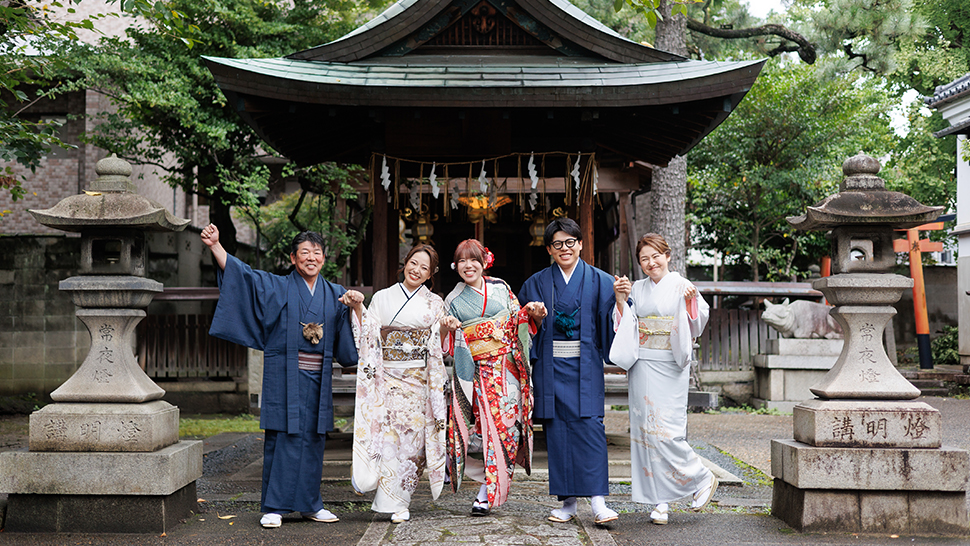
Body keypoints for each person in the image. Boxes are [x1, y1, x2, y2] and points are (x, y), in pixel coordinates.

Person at [201, 224, 362, 529]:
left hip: (318, 377)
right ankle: (273, 507)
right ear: (293, 258)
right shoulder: (276, 286)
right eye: (304, 252)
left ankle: (311, 504)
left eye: (316, 253)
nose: (310, 258)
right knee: (282, 436)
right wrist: (216, 246)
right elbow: (244, 277)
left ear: (324, 259)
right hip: (285, 373)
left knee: (314, 439)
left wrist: (356, 308)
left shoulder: (336, 293)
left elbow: (351, 345)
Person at [346, 245, 460, 524]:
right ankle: (386, 497)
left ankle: (400, 501)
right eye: (413, 263)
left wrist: (445, 326)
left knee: (412, 443)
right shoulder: (384, 297)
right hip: (388, 379)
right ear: (405, 263)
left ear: (430, 274)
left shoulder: (435, 303)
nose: (416, 270)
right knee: (387, 439)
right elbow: (369, 334)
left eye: (424, 267)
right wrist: (359, 306)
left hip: (419, 382)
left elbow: (439, 344)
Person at [518, 217, 620, 525]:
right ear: (549, 249)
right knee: (558, 432)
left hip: (585, 364)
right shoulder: (536, 282)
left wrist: (622, 302)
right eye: (558, 244)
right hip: (550, 367)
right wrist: (531, 317)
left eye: (570, 242)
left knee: (590, 429)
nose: (565, 249)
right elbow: (520, 325)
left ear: (580, 244)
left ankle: (599, 501)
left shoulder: (601, 280)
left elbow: (615, 322)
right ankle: (568, 503)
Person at [610, 233, 716, 525]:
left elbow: (697, 322)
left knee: (667, 431)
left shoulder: (683, 285)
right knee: (645, 434)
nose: (650, 263)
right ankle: (660, 502)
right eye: (644, 258)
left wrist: (691, 304)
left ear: (668, 255)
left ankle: (701, 475)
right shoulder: (637, 289)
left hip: (670, 364)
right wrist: (621, 299)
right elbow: (625, 323)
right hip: (643, 364)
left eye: (656, 256)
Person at [445, 239, 534, 517]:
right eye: (462, 261)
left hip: (507, 370)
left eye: (473, 260)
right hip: (477, 373)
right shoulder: (453, 300)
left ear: (485, 262)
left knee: (507, 430)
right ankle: (485, 485)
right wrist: (447, 328)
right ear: (455, 266)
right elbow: (448, 345)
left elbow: (517, 320)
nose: (468, 266)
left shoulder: (501, 287)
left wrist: (530, 313)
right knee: (479, 433)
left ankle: (488, 490)